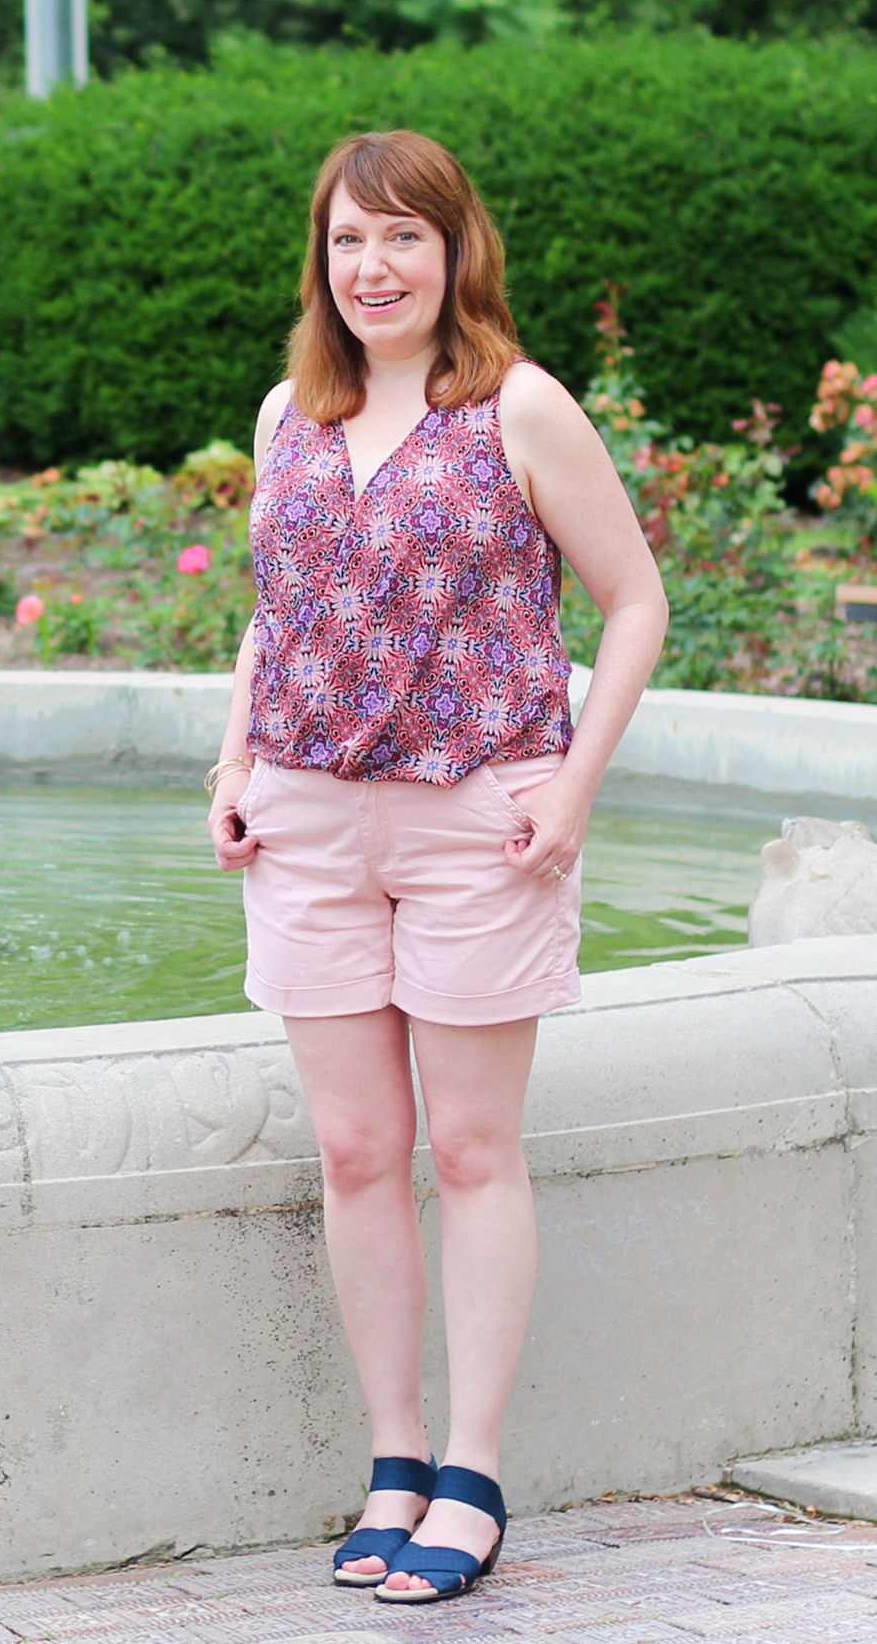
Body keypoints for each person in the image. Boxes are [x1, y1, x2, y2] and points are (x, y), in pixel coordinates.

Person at [206, 129, 668, 1606]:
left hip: (480, 819)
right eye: (348, 241)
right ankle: (390, 1460)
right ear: (320, 263)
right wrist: (232, 766)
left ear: (455, 250)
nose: (374, 266)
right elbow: (276, 612)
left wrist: (574, 790)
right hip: (308, 820)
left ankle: (470, 1474)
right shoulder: (293, 410)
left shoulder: (518, 408)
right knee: (355, 1153)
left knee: (468, 1152)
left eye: (403, 237)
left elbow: (634, 598)